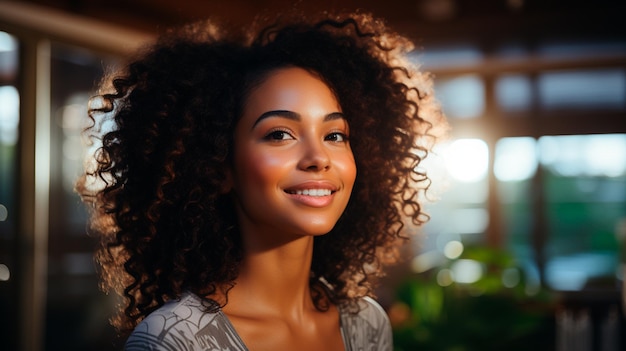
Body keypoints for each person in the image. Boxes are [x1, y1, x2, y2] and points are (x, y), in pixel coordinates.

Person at [76, 10, 445, 351]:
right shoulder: (173, 340)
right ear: (218, 167)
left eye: (335, 135)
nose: (319, 159)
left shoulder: (366, 324)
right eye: (279, 134)